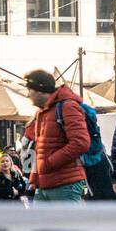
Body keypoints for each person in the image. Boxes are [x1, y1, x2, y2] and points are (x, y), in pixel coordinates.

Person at [24, 70, 91, 203]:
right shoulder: (41, 112)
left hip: (66, 184)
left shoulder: (68, 106)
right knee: (39, 224)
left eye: (30, 90)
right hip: (44, 185)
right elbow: (40, 149)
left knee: (67, 224)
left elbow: (81, 142)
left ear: (40, 90)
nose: (27, 95)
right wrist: (34, 178)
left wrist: (49, 163)